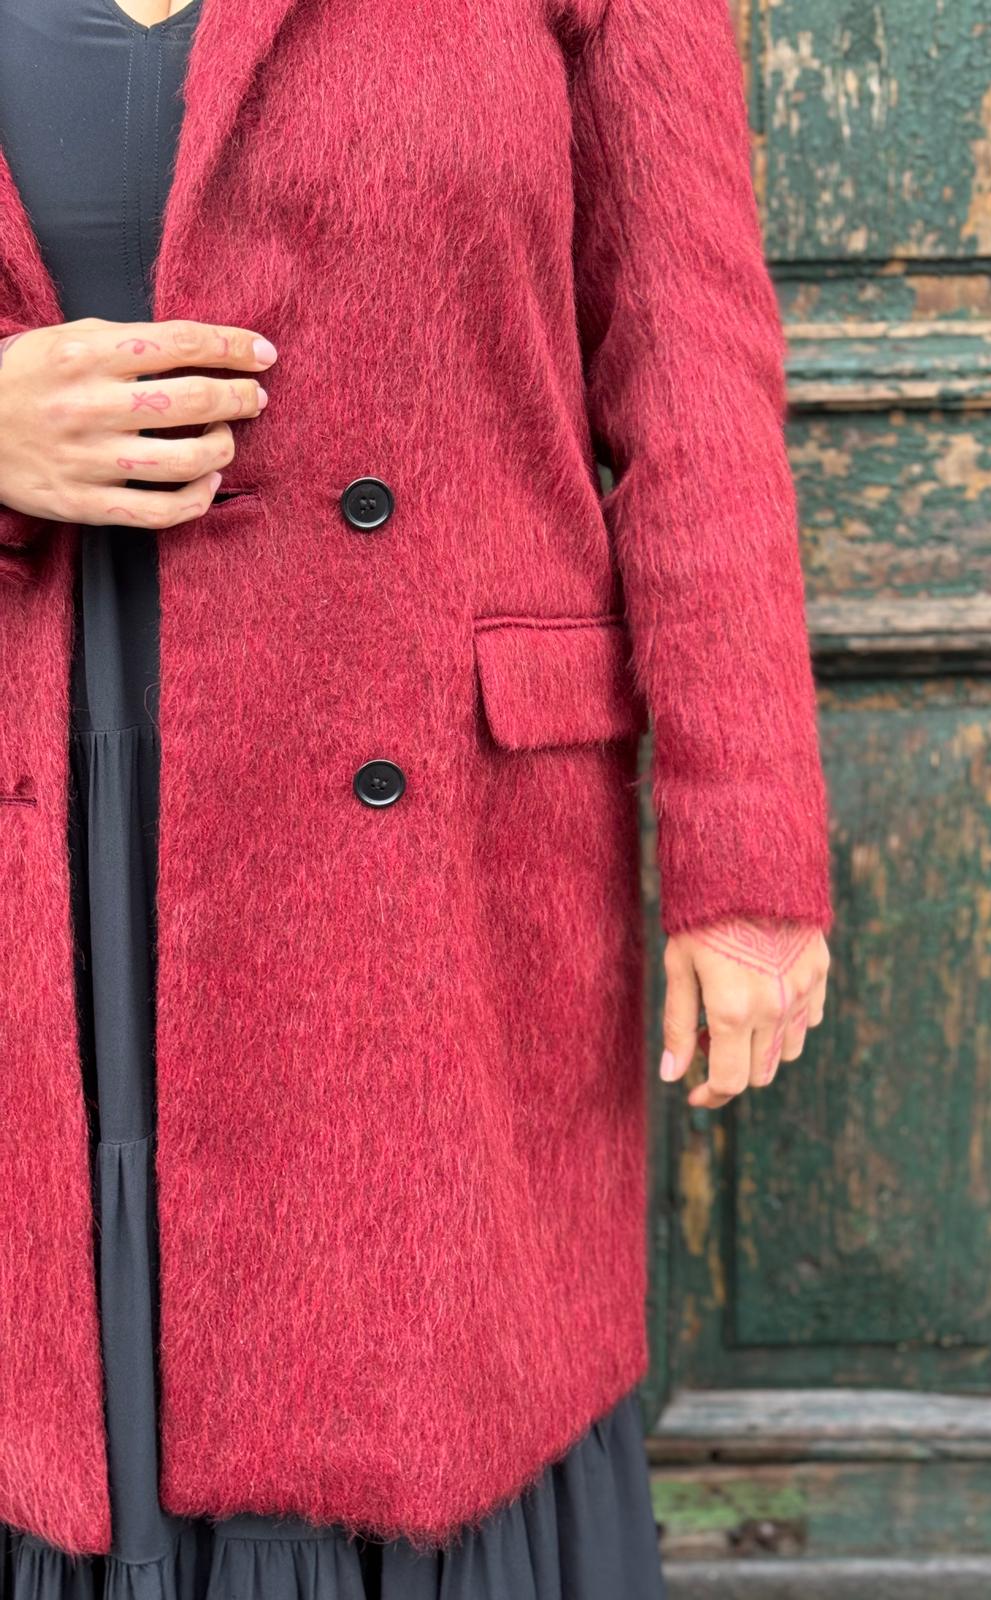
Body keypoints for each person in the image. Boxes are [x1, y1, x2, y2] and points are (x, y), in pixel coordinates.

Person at [0, 0, 833, 1594]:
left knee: (402, 1378)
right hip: (47, 812)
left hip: (425, 856)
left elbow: (693, 379)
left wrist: (748, 850)